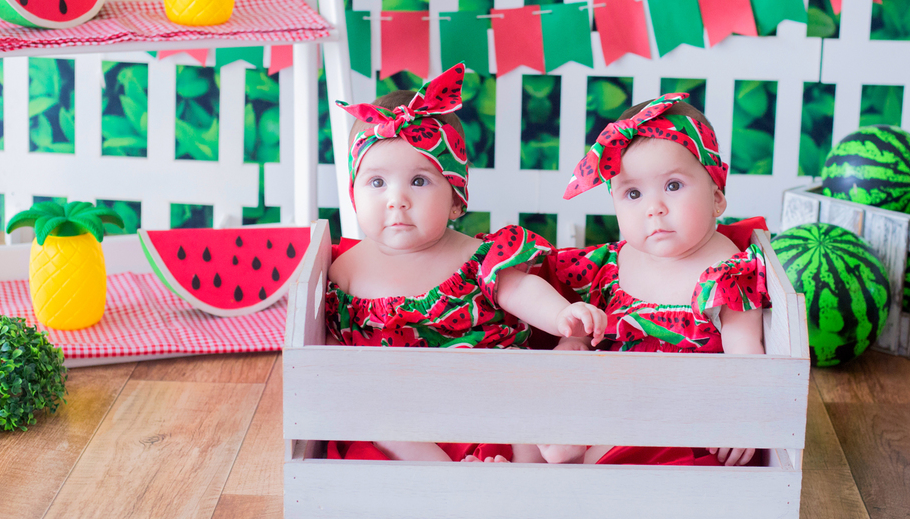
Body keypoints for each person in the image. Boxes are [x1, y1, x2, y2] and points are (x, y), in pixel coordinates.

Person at [324, 62, 605, 462]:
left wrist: (562, 316)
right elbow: (332, 349)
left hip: (488, 388)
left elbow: (519, 289)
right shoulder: (344, 272)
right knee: (380, 423)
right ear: (355, 196)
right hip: (405, 406)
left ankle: (529, 469)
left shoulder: (476, 257)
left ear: (456, 199)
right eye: (377, 182)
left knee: (525, 385)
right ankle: (446, 479)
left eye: (419, 181)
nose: (396, 199)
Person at [533, 93, 770, 467]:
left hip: (683, 412)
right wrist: (573, 339)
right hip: (616, 395)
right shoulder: (614, 263)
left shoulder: (726, 270)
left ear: (717, 198)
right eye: (632, 193)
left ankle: (587, 469)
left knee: (604, 458)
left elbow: (745, 351)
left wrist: (743, 419)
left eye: (673, 186)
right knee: (543, 426)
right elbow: (589, 320)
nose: (653, 207)